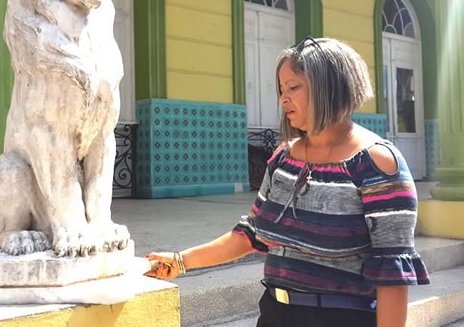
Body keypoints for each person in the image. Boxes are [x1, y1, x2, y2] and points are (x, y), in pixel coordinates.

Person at [146, 37, 430, 327]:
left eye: (293, 87)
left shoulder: (377, 163)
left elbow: (392, 274)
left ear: (329, 88)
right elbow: (251, 234)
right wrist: (180, 261)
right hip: (274, 313)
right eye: (281, 90)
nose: (283, 98)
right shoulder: (283, 156)